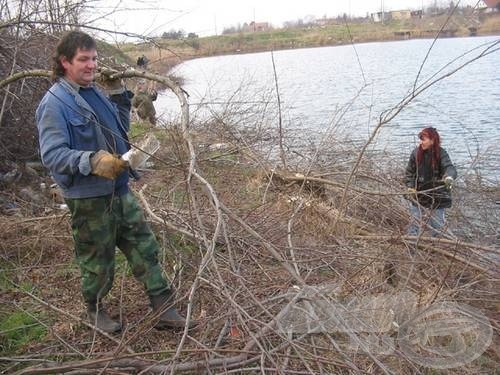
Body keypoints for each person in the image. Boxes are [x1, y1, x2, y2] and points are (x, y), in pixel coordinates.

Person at [36, 30, 193, 333]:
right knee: (98, 259)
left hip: (119, 189)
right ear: (65, 62)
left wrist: (120, 94)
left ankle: (164, 308)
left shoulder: (94, 92)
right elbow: (53, 155)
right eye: (84, 60)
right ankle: (95, 312)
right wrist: (92, 160)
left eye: (94, 59)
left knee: (143, 246)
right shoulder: (54, 104)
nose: (91, 65)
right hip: (88, 198)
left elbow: (119, 132)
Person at [405, 127, 457, 238]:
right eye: (420, 139)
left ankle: (437, 247)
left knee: (437, 224)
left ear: (432, 140)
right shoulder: (415, 153)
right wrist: (410, 187)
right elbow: (409, 173)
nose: (421, 142)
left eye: (424, 139)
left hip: (438, 194)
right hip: (418, 193)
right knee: (415, 222)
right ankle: (411, 245)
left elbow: (449, 167)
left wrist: (449, 177)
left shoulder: (442, 154)